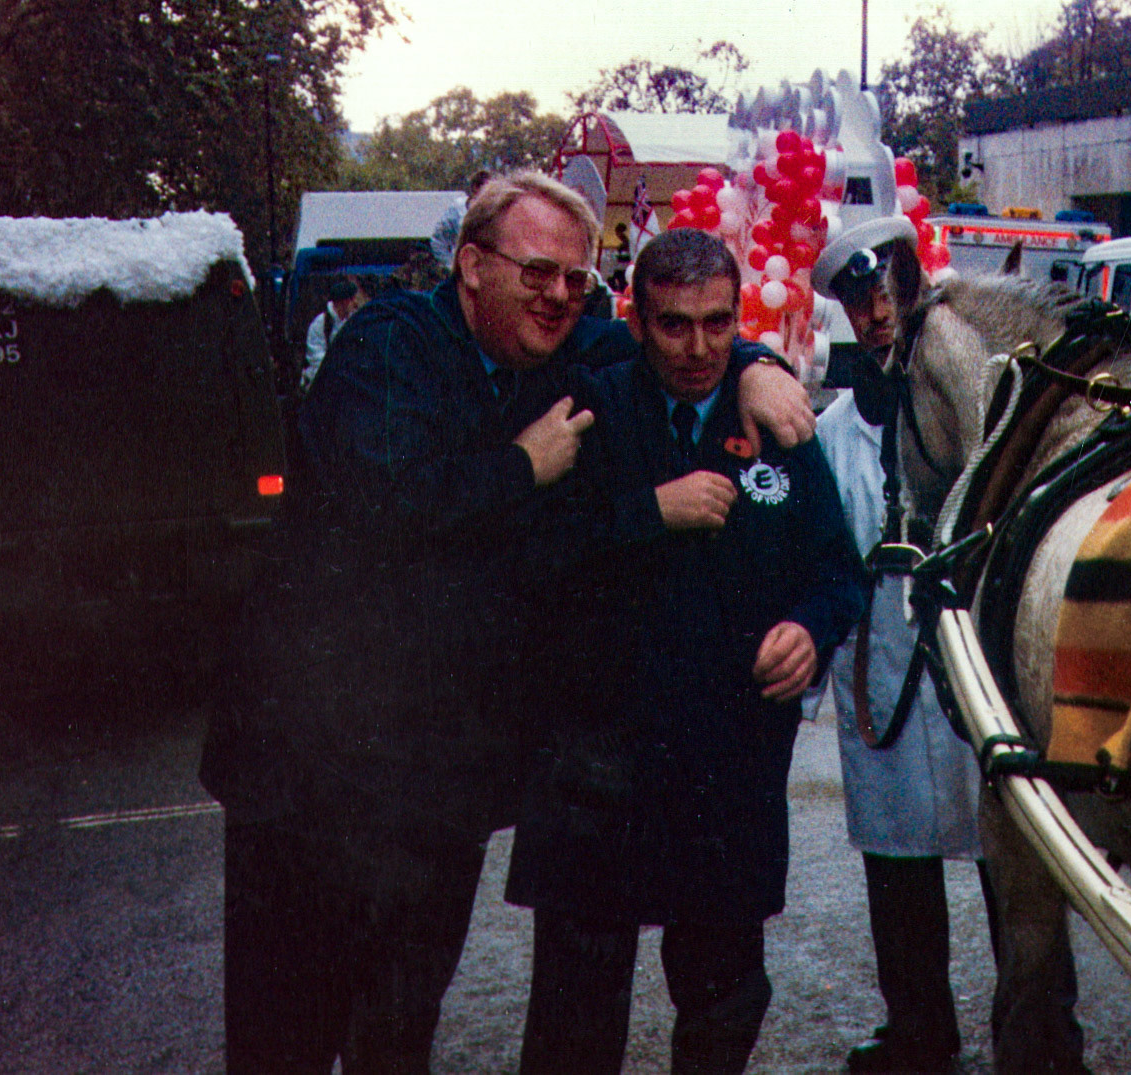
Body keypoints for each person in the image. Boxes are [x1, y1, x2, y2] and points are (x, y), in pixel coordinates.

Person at [199, 173, 814, 1075]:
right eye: (538, 271)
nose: (560, 294)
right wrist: (522, 465)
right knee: (284, 1035)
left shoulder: (563, 352)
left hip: (431, 783)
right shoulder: (386, 345)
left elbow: (681, 336)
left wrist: (759, 362)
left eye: (576, 278)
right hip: (309, 775)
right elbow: (382, 509)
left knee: (398, 1029)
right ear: (473, 265)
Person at [503, 228, 866, 1075]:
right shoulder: (586, 407)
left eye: (717, 324)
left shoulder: (774, 418)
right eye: (673, 325)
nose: (698, 347)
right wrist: (645, 512)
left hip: (725, 763)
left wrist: (813, 627)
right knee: (575, 1015)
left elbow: (838, 572)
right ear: (635, 319)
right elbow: (529, 557)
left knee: (723, 1003)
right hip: (599, 764)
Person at [809, 217, 993, 1074]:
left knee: (1008, 843)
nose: (878, 313)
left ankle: (1039, 1020)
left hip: (966, 636)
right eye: (860, 299)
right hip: (880, 647)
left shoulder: (974, 393)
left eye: (889, 292)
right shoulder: (833, 429)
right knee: (895, 857)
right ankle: (919, 1026)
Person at [300, 275, 366, 392]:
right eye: (351, 300)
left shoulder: (353, 322)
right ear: (342, 302)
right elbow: (316, 359)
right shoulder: (320, 324)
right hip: (322, 382)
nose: (355, 304)